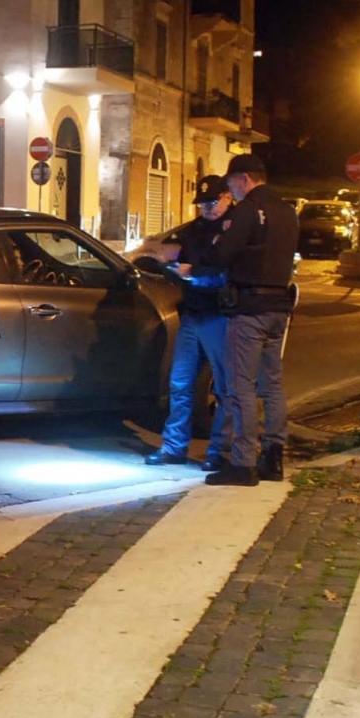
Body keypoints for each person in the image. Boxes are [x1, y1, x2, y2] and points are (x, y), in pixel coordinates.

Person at [197, 153, 298, 487]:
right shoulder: (287, 211)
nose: (231, 189)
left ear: (243, 179)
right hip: (279, 308)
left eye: (230, 183)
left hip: (249, 308)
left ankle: (243, 463)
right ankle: (274, 457)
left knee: (241, 385)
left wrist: (217, 241)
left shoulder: (247, 210)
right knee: (273, 385)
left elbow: (222, 255)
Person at [144, 175, 234, 471]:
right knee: (180, 383)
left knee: (222, 386)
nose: (207, 208)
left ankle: (218, 451)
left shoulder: (234, 229)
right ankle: (174, 446)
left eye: (212, 202)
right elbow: (178, 253)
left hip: (218, 314)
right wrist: (167, 264)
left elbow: (228, 273)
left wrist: (192, 273)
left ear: (227, 197)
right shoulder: (195, 230)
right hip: (192, 314)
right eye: (203, 204)